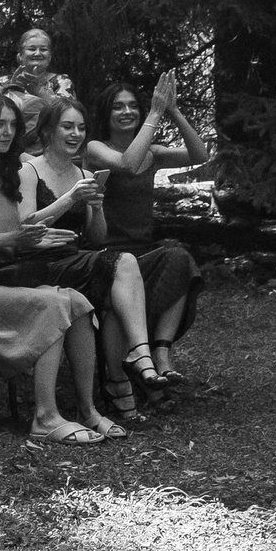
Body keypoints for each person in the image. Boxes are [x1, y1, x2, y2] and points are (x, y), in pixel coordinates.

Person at [0, 94, 117, 445]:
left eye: (13, 125)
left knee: (75, 302)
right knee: (50, 303)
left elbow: (15, 235)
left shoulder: (6, 175)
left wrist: (33, 241)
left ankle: (87, 410)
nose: (6, 131)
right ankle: (45, 417)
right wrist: (12, 237)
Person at [12, 95, 159, 414]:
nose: (76, 134)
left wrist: (96, 206)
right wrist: (68, 199)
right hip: (38, 263)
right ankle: (135, 361)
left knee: (117, 291)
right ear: (48, 131)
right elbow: (24, 226)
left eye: (80, 127)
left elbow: (97, 237)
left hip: (74, 259)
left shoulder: (81, 174)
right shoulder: (28, 170)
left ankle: (122, 376)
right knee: (124, 265)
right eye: (67, 126)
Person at [85, 74, 207, 383]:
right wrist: (154, 113)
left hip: (144, 247)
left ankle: (161, 353)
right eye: (118, 107)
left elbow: (201, 156)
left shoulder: (154, 153)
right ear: (106, 114)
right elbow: (127, 163)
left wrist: (173, 110)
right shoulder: (96, 148)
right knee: (173, 258)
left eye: (133, 106)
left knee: (180, 259)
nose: (127, 112)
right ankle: (133, 363)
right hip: (109, 253)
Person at [4, 23, 74, 113]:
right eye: (32, 49)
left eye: (43, 49)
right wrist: (12, 89)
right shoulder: (3, 82)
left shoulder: (62, 81)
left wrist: (40, 92)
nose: (37, 53)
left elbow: (68, 113)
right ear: (20, 56)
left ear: (50, 57)